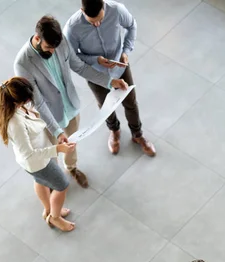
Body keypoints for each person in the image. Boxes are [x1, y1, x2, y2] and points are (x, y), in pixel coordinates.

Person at [14, 15, 127, 188]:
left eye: (55, 47)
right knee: (52, 153)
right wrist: (57, 131)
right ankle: (55, 182)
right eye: (48, 47)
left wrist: (109, 81)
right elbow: (38, 102)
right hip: (48, 118)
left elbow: (79, 67)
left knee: (72, 144)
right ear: (37, 38)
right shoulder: (22, 63)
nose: (52, 51)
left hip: (71, 107)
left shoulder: (61, 42)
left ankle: (72, 168)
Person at [64, 0, 156, 157]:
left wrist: (126, 51)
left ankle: (137, 134)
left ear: (104, 6)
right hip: (95, 73)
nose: (97, 24)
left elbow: (131, 25)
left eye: (100, 19)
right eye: (92, 22)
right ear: (82, 11)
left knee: (131, 101)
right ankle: (114, 131)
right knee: (105, 106)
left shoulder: (116, 9)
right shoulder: (72, 28)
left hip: (120, 65)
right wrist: (95, 60)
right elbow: (73, 57)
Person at [0, 77, 77, 232]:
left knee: (40, 181)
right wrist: (58, 149)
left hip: (42, 153)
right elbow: (29, 154)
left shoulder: (17, 107)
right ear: (17, 101)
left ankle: (48, 209)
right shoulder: (16, 124)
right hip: (38, 162)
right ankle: (55, 217)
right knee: (62, 185)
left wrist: (57, 138)